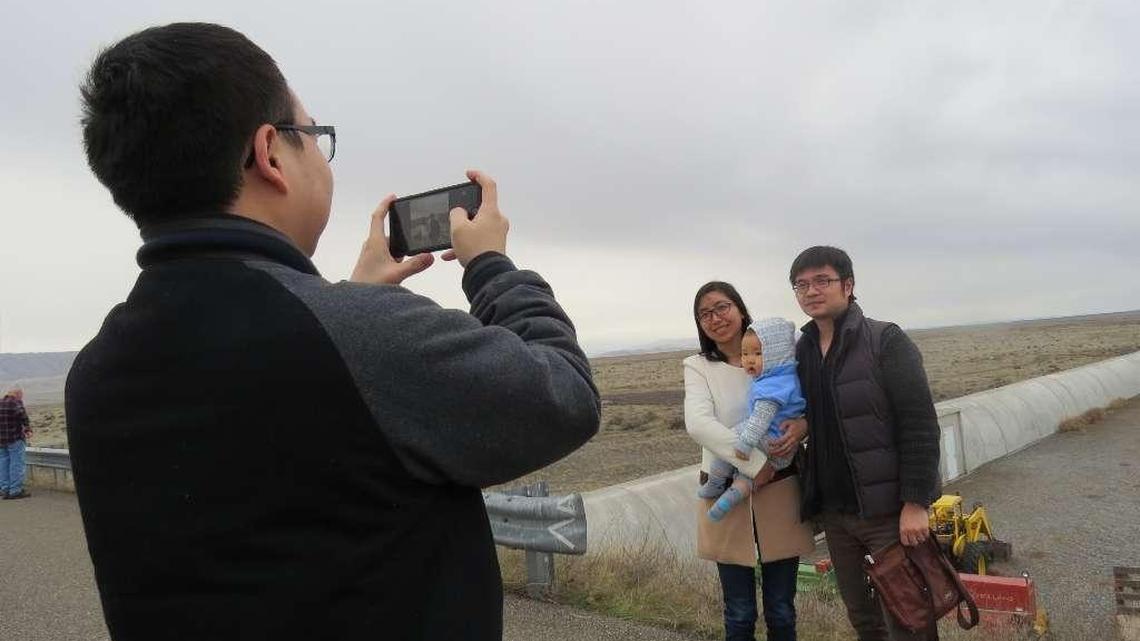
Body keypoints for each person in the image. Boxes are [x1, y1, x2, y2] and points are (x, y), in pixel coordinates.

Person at [69, 22, 599, 641]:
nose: (320, 154)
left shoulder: (97, 373)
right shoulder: (358, 338)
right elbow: (563, 392)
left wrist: (348, 303)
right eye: (312, 135)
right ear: (270, 154)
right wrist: (491, 267)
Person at [789, 246, 942, 641]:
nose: (811, 291)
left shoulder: (885, 340)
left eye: (822, 280)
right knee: (863, 620)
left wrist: (916, 502)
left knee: (909, 621)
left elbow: (920, 425)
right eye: (801, 284)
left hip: (888, 515)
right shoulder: (802, 350)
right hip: (837, 516)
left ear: (849, 285)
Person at [683, 282, 815, 641]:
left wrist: (803, 426)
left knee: (782, 609)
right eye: (704, 313)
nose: (715, 318)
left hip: (781, 487)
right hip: (726, 485)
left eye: (721, 307)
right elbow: (699, 424)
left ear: (740, 309)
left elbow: (807, 403)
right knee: (739, 612)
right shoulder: (698, 367)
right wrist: (757, 464)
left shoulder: (781, 357)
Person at [697, 318, 805, 522]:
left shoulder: (772, 384)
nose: (749, 360)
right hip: (783, 452)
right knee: (748, 479)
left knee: (725, 446)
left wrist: (745, 443)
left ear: (777, 355)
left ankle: (716, 484)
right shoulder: (785, 378)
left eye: (758, 354)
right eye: (745, 354)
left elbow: (761, 417)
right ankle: (730, 498)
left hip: (765, 437)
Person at [0, 387, 32, 500]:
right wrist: (28, 429)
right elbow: (23, 416)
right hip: (14, 438)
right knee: (16, 463)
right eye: (21, 396)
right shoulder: (15, 403)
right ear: (17, 394)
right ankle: (15, 490)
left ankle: (5, 489)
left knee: (3, 464)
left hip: (1, 440)